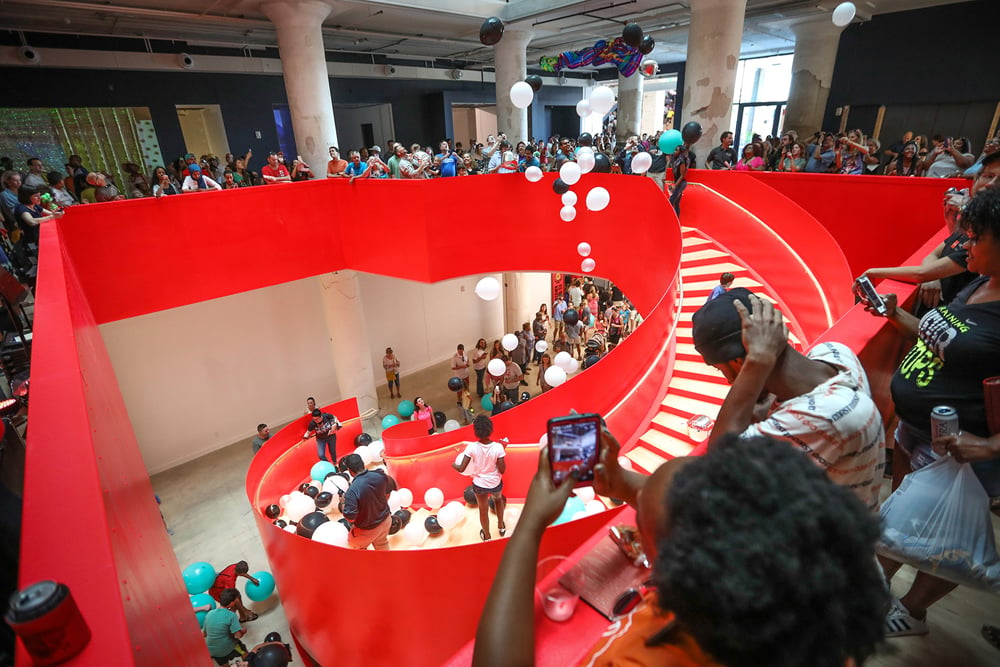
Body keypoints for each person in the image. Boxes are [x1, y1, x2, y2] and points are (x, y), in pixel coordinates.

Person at [473, 432, 888, 667]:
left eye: (645, 530)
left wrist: (529, 525)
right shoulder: (813, 610)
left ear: (671, 571)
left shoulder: (650, 660)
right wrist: (619, 483)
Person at [868, 187, 1000, 637]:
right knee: (905, 526)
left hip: (962, 449)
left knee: (947, 537)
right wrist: (894, 317)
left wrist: (987, 445)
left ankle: (912, 611)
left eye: (976, 235)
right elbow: (939, 340)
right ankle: (869, 596)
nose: (967, 243)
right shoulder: (982, 281)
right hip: (917, 430)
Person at [692, 288, 884, 510]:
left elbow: (719, 458)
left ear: (738, 362)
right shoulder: (834, 352)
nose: (727, 381)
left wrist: (758, 361)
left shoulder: (821, 415)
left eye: (720, 369)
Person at [860, 189, 974, 313]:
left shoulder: (976, 245)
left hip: (951, 312)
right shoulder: (963, 233)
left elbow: (922, 273)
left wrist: (872, 272)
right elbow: (932, 255)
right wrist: (933, 277)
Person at [453, 414, 506, 542]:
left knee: (483, 509)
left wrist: (453, 464)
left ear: (476, 430)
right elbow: (502, 470)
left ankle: (487, 536)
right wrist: (502, 450)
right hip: (495, 483)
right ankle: (501, 526)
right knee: (498, 500)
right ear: (490, 429)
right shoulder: (498, 447)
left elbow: (461, 468)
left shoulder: (471, 447)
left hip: (479, 485)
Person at [339, 452, 393, 549]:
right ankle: (387, 563)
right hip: (386, 520)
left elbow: (350, 517)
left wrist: (343, 502)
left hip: (368, 530)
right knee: (382, 544)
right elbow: (388, 493)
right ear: (363, 464)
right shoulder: (380, 475)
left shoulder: (352, 491)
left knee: (354, 547)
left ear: (350, 471)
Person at [203, 588, 249, 665]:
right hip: (227, 648)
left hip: (212, 651)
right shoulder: (231, 615)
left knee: (224, 663)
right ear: (231, 602)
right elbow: (237, 636)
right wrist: (242, 632)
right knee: (245, 654)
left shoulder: (209, 614)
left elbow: (204, 634)